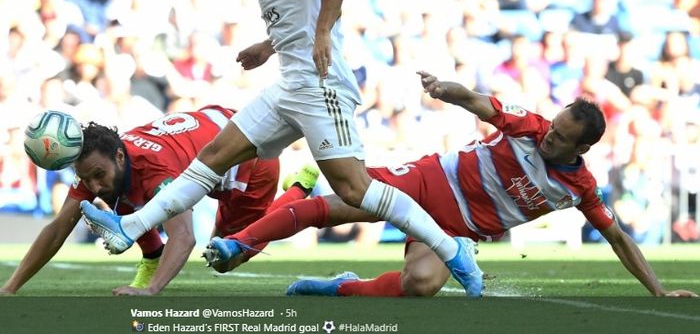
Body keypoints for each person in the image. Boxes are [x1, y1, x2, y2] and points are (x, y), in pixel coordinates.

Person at [79, 0, 482, 297]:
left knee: (355, 189)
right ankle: (130, 226)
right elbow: (298, 15)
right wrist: (269, 45)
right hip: (290, 86)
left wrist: (323, 33)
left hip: (320, 86)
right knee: (215, 156)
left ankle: (452, 249)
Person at [204, 72, 697, 298]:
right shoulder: (529, 125)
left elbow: (617, 237)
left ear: (581, 150)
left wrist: (656, 291)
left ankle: (340, 289)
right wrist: (446, 89)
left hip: (456, 232)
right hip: (428, 182)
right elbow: (479, 102)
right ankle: (237, 243)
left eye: (562, 137)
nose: (550, 136)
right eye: (554, 126)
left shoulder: (580, 189)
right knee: (341, 205)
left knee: (420, 286)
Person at [0, 105, 317, 296]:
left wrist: (149, 292)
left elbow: (184, 236)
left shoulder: (155, 172)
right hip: (212, 129)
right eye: (87, 178)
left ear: (120, 156)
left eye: (98, 174)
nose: (93, 185)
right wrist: (10, 287)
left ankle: (299, 189)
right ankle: (152, 254)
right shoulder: (100, 162)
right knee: (118, 192)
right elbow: (58, 228)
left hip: (250, 158)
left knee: (227, 255)